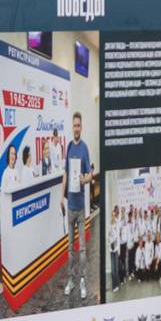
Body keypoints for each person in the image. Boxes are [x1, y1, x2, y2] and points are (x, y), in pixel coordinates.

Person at [62, 111, 96, 300]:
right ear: (72, 127)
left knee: (82, 248)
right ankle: (71, 280)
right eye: (74, 125)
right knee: (69, 248)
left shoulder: (84, 149)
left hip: (81, 207)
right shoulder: (68, 147)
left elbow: (90, 174)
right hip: (70, 207)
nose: (76, 128)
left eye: (78, 125)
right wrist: (61, 196)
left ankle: (82, 279)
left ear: (81, 127)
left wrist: (86, 178)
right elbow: (66, 173)